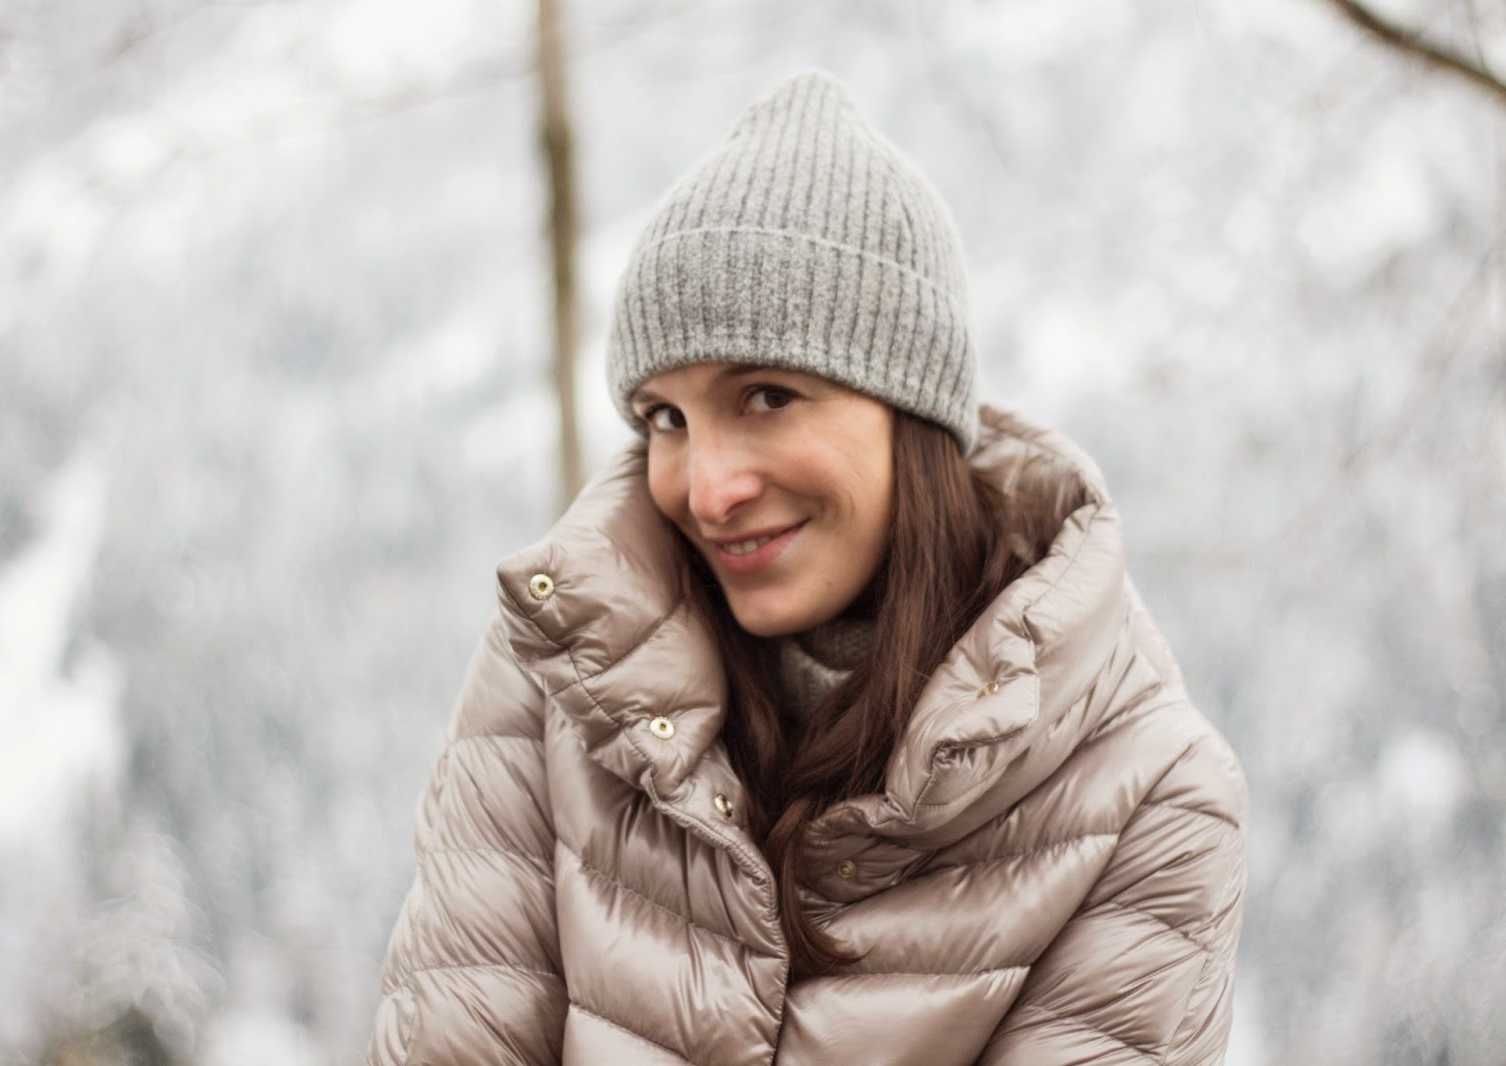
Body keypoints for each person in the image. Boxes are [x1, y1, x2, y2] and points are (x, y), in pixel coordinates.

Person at [368, 70, 1246, 1066]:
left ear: (909, 413)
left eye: (767, 396)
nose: (706, 490)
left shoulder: (1148, 794)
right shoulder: (561, 680)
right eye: (666, 417)